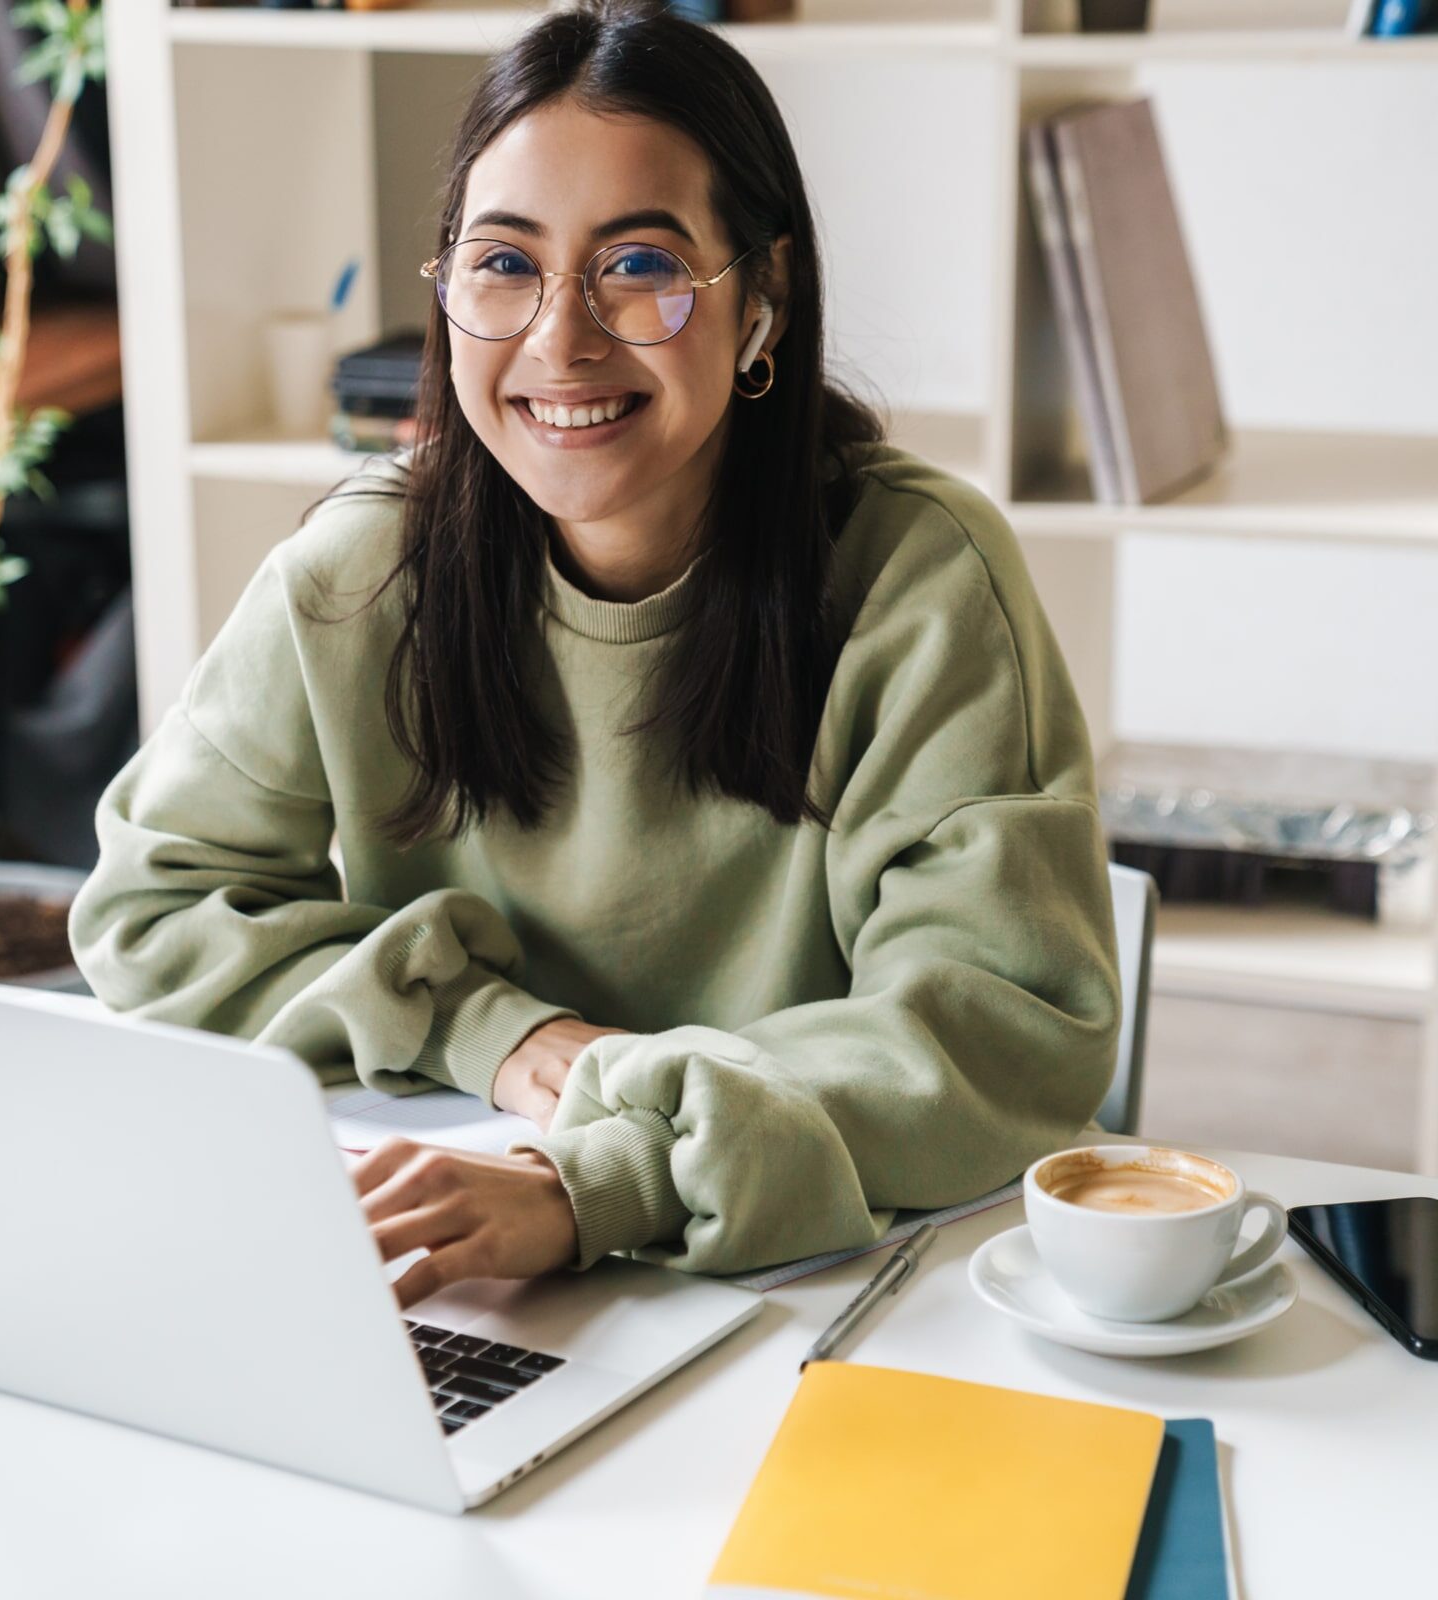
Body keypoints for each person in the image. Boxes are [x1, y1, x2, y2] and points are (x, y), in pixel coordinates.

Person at [68, 0, 1121, 1309]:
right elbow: (153, 913)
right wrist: (489, 1035)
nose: (560, 340)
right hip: (455, 1251)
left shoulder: (918, 578)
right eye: (504, 264)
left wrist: (599, 1180)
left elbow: (994, 1034)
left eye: (638, 265)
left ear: (761, 305)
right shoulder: (356, 578)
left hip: (809, 1281)